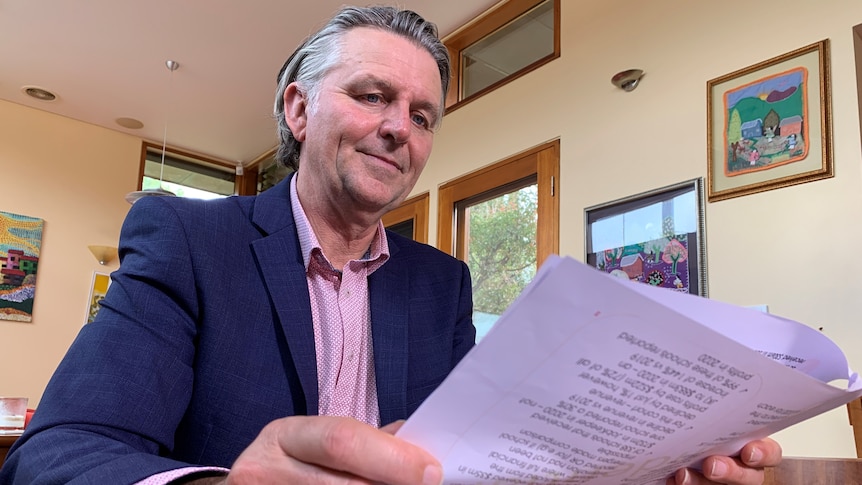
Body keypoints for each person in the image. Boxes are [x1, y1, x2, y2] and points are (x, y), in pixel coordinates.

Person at [0, 6, 781, 485]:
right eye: (372, 95)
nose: (398, 127)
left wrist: (652, 449)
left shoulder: (443, 284)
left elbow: (487, 448)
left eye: (422, 113)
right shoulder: (188, 238)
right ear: (299, 110)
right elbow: (58, 454)